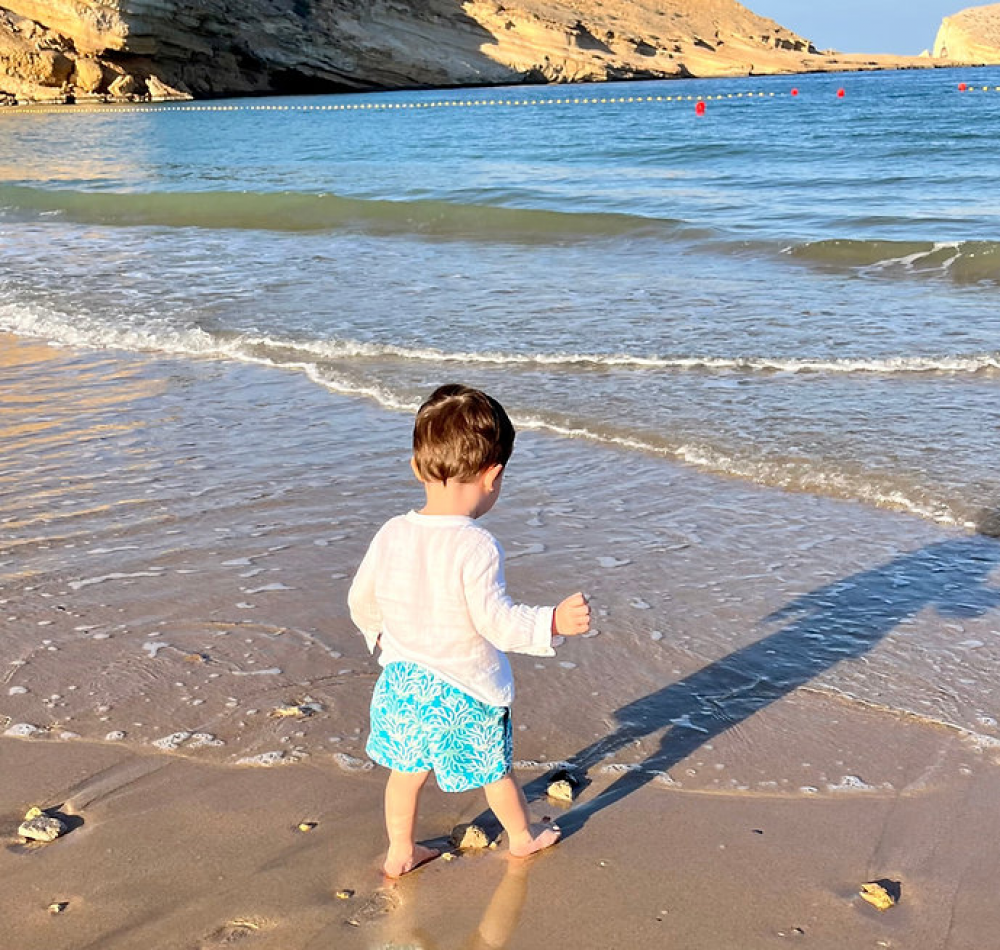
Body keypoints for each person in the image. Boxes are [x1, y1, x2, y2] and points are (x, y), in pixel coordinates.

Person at [348, 383, 591, 878]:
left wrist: (381, 640)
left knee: (406, 772)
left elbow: (360, 598)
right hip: (466, 689)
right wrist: (550, 622)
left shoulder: (393, 531)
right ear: (492, 476)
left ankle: (401, 851)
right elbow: (496, 622)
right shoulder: (476, 545)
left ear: (418, 468)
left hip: (404, 682)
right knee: (495, 772)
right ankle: (522, 838)